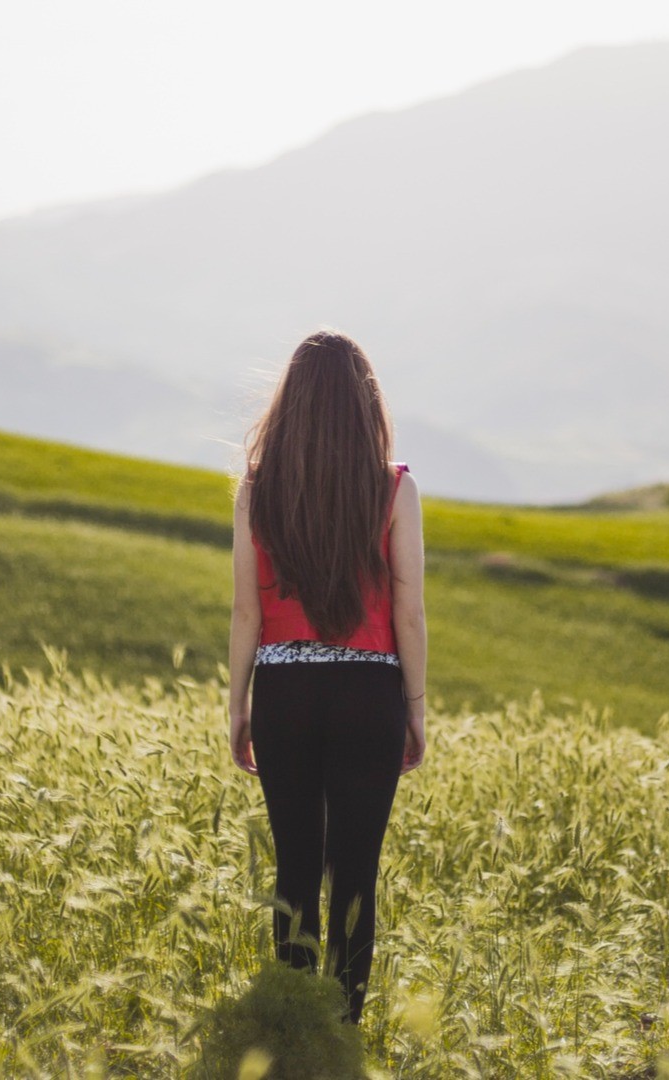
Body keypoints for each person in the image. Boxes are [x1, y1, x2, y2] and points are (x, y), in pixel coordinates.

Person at [227, 328, 427, 1026]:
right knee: (354, 878)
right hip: (369, 693)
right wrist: (416, 709)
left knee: (295, 872)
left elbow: (246, 613)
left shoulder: (258, 492)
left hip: (283, 693)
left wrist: (238, 709)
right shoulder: (393, 491)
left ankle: (294, 1026)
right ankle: (342, 1030)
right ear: (364, 408)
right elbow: (410, 612)